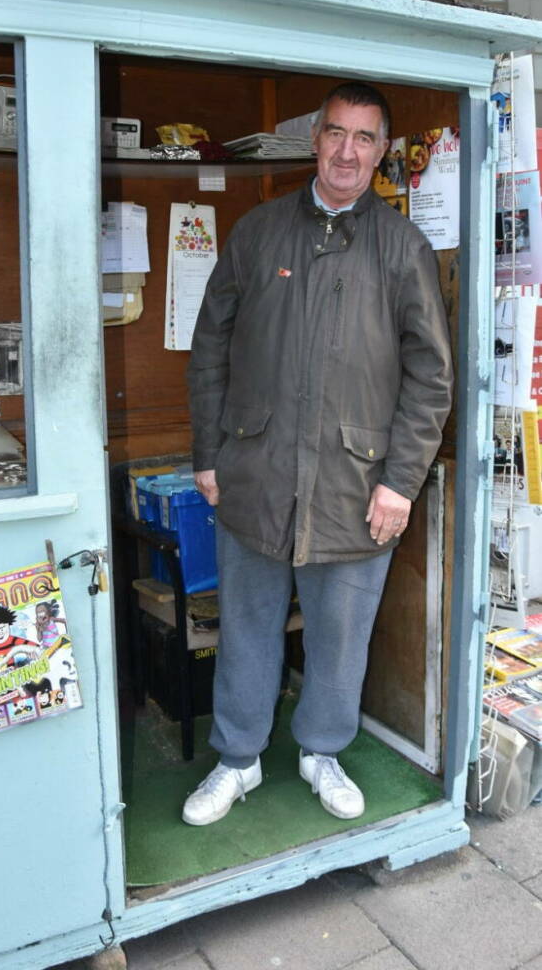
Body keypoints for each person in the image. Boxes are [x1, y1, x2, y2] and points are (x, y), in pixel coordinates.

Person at [184, 81, 453, 827]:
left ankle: (320, 752)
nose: (346, 150)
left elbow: (432, 377)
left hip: (355, 483)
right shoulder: (259, 232)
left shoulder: (402, 247)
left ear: (380, 151)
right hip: (254, 473)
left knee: (340, 637)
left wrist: (400, 481)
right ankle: (235, 761)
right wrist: (207, 453)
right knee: (245, 626)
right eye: (335, 133)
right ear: (314, 139)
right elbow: (209, 348)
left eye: (363, 138)